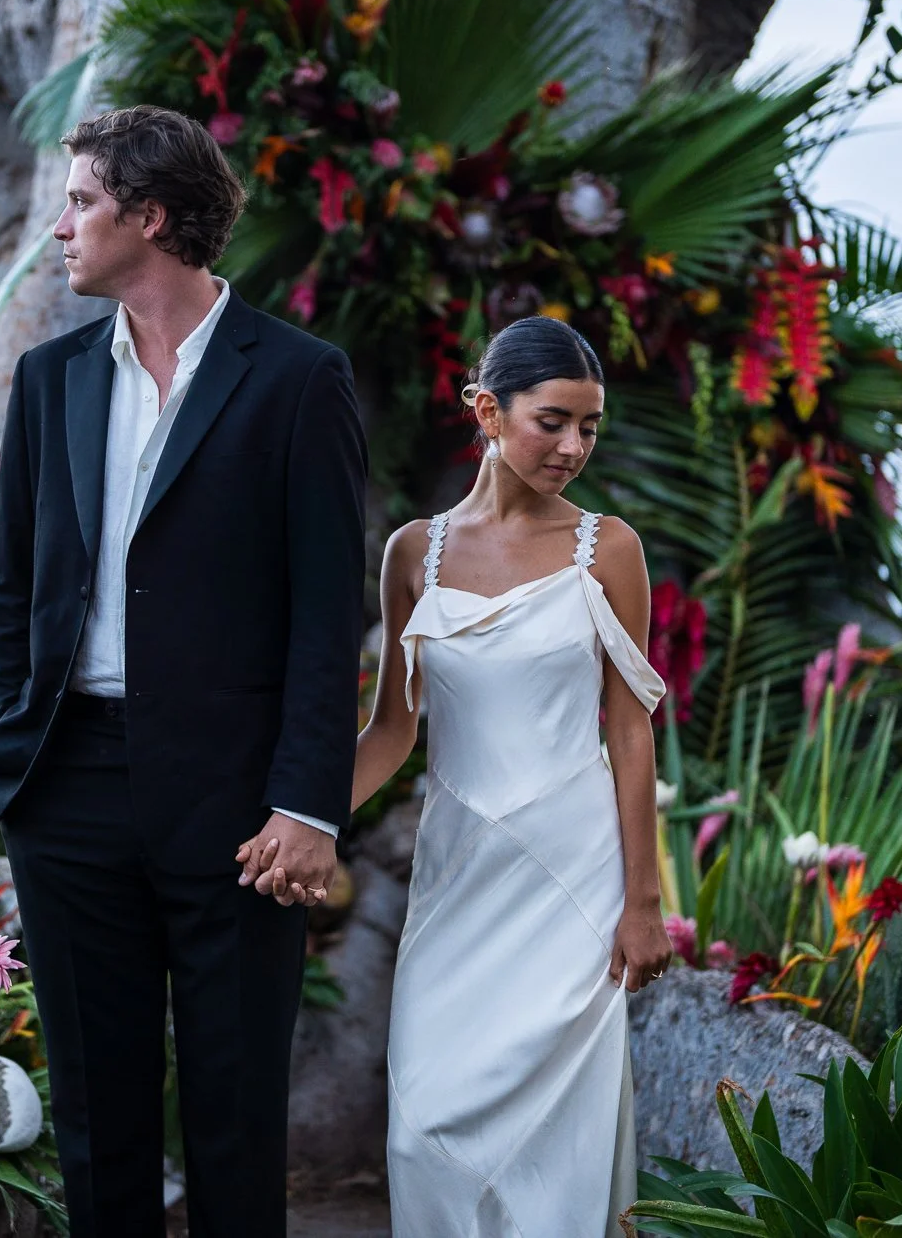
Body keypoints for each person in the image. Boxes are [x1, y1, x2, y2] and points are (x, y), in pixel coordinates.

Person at [0, 105, 368, 1237]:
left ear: (148, 217)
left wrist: (305, 804)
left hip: (240, 807)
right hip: (67, 788)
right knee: (96, 1119)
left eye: (81, 202)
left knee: (235, 1118)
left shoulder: (298, 379)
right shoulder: (49, 380)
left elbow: (324, 609)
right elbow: (13, 589)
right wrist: (10, 758)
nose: (60, 227)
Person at [248, 316, 673, 1233]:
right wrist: (303, 819)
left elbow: (631, 734)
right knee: (423, 1126)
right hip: (459, 872)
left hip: (573, 879)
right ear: (487, 410)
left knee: (557, 1135)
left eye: (590, 426)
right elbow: (393, 730)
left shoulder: (611, 549)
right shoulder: (416, 552)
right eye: (552, 420)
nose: (573, 446)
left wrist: (645, 900)